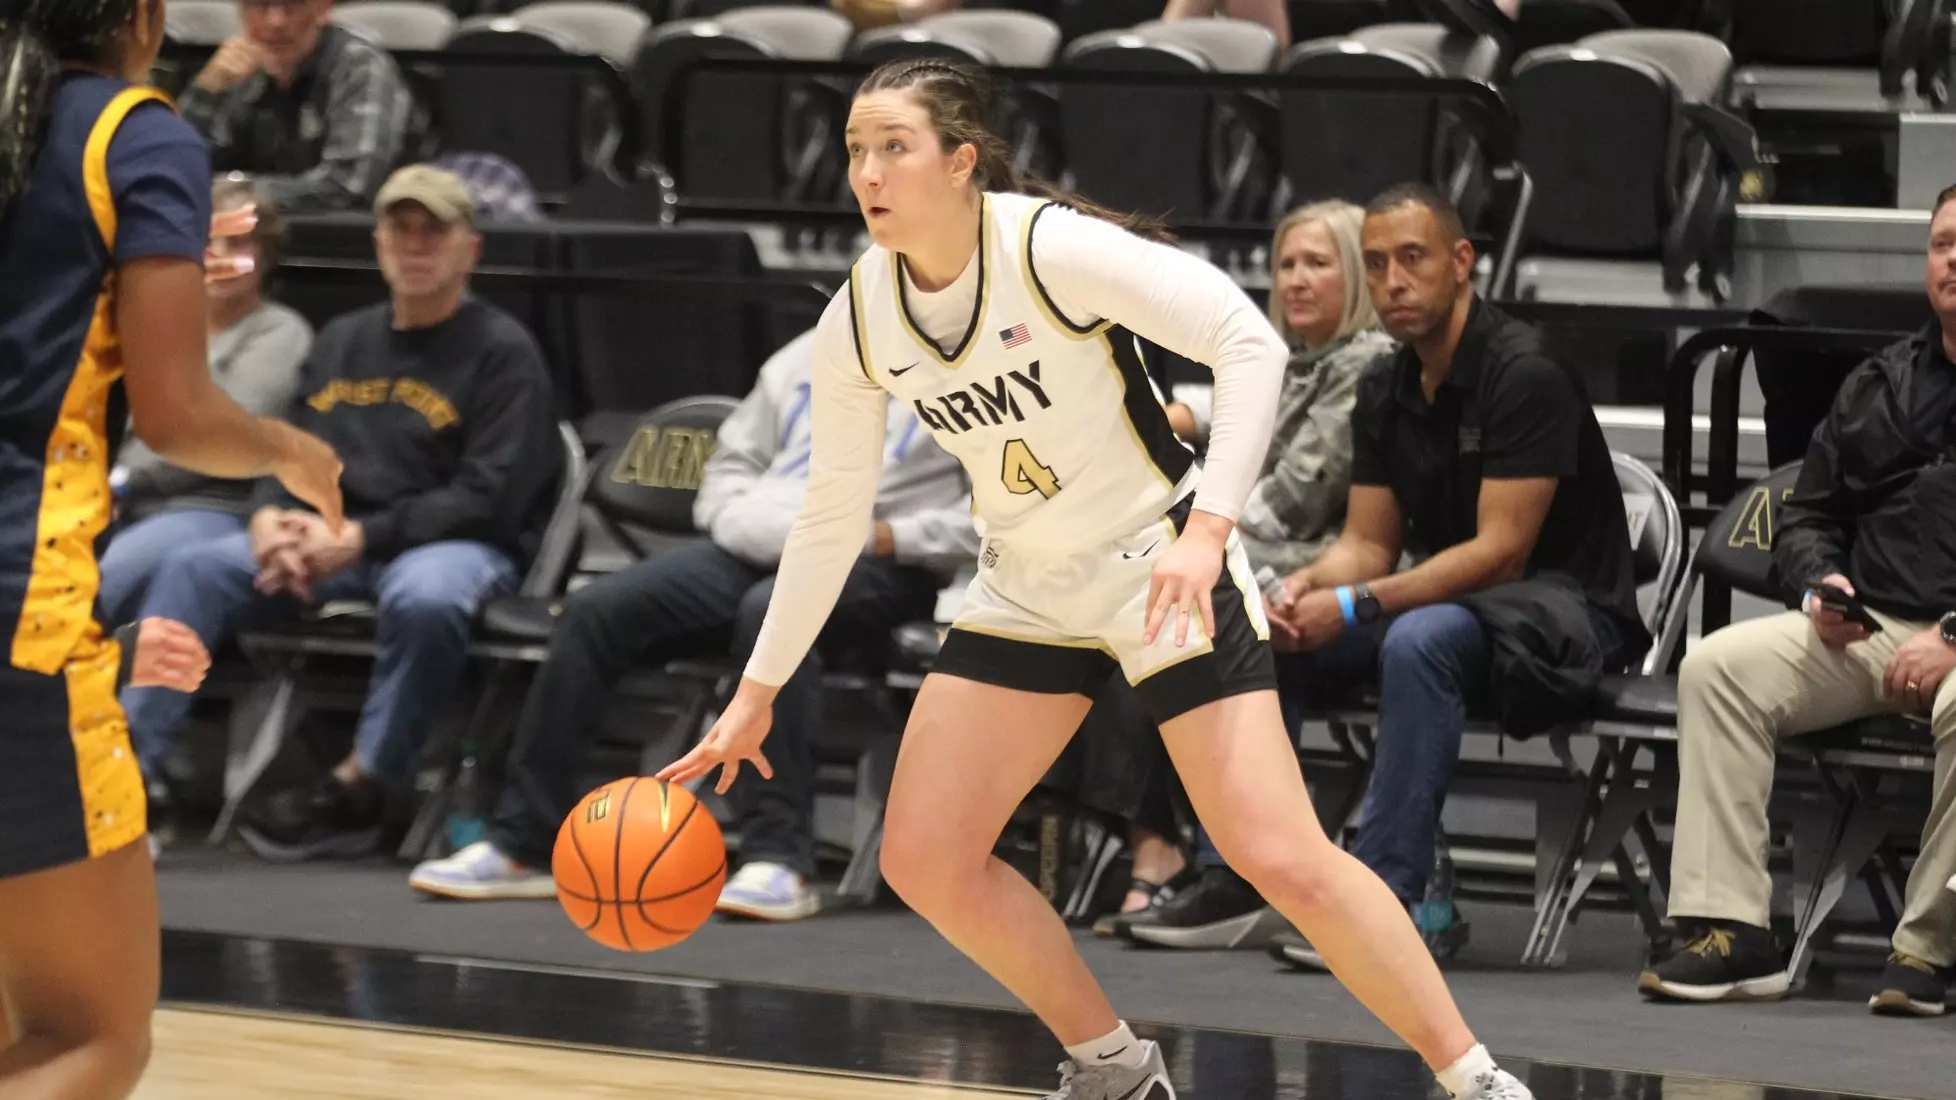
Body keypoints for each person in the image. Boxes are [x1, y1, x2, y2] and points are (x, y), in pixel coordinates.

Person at [659, 59, 1534, 1100]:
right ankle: (1115, 1065)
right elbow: (832, 514)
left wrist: (1207, 531)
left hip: (1155, 563)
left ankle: (1472, 1074)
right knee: (927, 855)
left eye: (894, 146)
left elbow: (1246, 342)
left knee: (1276, 851)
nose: (868, 171)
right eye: (855, 150)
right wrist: (755, 693)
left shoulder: (1045, 248)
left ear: (961, 162)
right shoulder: (862, 312)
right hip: (1027, 584)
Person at [0, 1, 342, 1095]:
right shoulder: (128, 130)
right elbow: (179, 415)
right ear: (143, 16)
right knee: (88, 1035)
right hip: (18, 615)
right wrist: (292, 447)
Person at [407, 328, 976, 913]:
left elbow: (1005, 508)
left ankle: (778, 860)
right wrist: (734, 518)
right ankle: (521, 844)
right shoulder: (816, 348)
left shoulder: (985, 361)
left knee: (773, 613)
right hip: (754, 546)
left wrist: (887, 536)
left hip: (881, 559)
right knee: (595, 612)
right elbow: (733, 461)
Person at [121, 164, 562, 864]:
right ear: (379, 244)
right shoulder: (344, 340)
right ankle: (124, 783)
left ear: (469, 250)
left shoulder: (503, 352)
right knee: (196, 570)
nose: (415, 247)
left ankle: (364, 786)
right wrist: (270, 518)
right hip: (333, 539)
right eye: (400, 230)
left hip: (449, 543)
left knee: (428, 596)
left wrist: (361, 537)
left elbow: (492, 497)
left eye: (434, 232)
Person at [1257, 185, 1645, 972]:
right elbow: (1367, 545)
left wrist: (1355, 601)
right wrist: (1303, 589)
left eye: (1413, 258)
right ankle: (1248, 874)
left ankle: (1383, 905)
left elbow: (1501, 553)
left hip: (1567, 619)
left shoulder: (1526, 371)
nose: (1393, 282)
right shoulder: (1384, 386)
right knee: (1268, 637)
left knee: (1419, 638)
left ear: (1461, 262)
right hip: (1458, 614)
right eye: (1377, 265)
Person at [1639, 186, 1956, 1017]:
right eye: (1944, 244)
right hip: (1877, 626)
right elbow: (1809, 511)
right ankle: (1732, 929)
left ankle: (1931, 948)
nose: (1954, 259)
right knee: (1717, 667)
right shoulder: (1878, 383)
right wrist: (1825, 584)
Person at [1106, 198, 1395, 948]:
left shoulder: (1369, 364)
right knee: (1138, 613)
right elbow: (1229, 410)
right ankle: (1169, 854)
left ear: (1359, 276)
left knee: (1183, 609)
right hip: (1274, 573)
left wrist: (1189, 522)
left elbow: (1290, 502)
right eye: (1286, 264)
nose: (1295, 280)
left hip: (1345, 589)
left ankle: (1225, 870)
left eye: (1318, 264)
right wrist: (1183, 422)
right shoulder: (1305, 360)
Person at [101, 175, 311, 630]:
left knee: (99, 583)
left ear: (265, 255)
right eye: (206, 241)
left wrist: (124, 483)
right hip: (116, 498)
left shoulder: (280, 333)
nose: (218, 256)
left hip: (212, 507)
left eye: (237, 242)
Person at [178, 0, 416, 212]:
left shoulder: (360, 67)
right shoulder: (237, 68)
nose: (275, 22)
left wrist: (239, 192)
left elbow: (350, 184)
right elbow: (176, 166)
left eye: (293, 5)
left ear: (323, 8)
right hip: (252, 234)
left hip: (348, 242)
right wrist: (206, 91)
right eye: (260, 5)